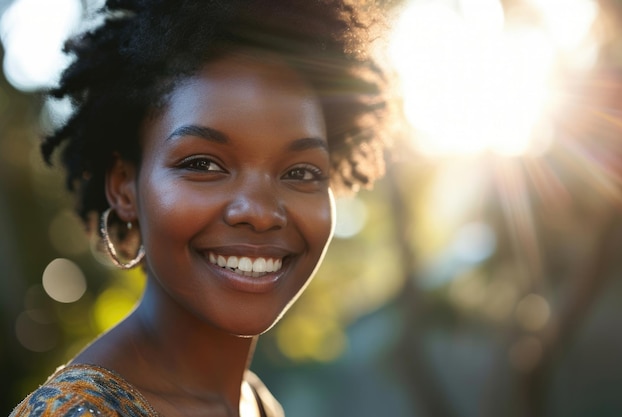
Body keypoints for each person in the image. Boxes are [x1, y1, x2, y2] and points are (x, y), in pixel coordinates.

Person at [10, 0, 389, 416]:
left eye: (301, 172)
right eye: (203, 165)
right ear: (124, 188)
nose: (260, 212)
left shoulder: (255, 403)